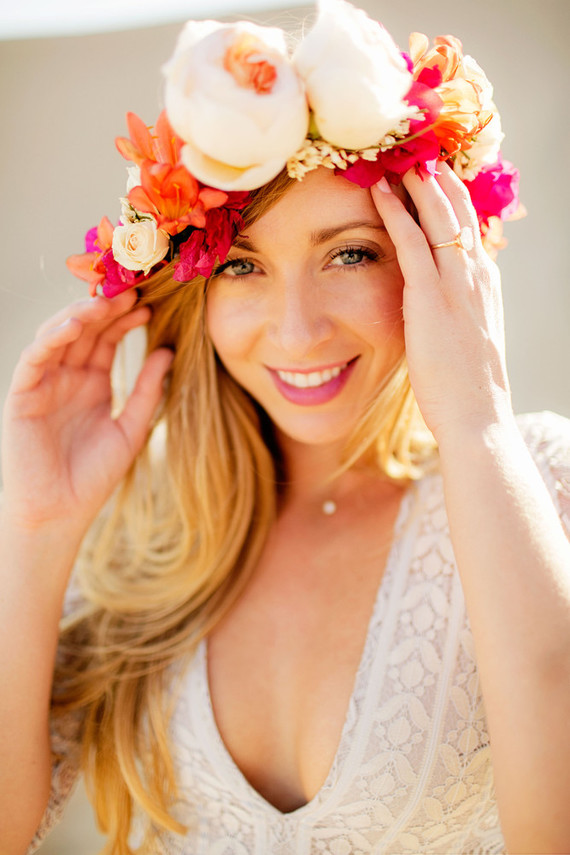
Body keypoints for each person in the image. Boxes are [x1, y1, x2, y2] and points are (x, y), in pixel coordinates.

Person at [1, 1, 569, 853]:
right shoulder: (142, 528)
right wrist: (37, 529)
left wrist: (479, 425)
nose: (297, 330)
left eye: (351, 253)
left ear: (438, 256)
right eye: (241, 264)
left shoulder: (542, 475)